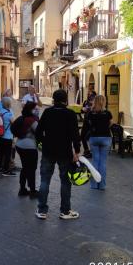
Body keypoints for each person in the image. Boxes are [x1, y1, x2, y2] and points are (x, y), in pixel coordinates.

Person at [35, 89, 81, 220]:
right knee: (66, 182)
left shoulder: (48, 112)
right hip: (65, 153)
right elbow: (75, 135)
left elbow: (38, 132)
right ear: (65, 100)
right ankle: (65, 211)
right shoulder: (70, 114)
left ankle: (42, 210)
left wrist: (43, 143)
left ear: (53, 100)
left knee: (44, 180)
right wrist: (76, 151)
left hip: (48, 151)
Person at [84, 95, 113, 190]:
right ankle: (102, 185)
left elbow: (88, 124)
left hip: (94, 138)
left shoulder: (90, 113)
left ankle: (94, 185)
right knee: (103, 162)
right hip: (105, 137)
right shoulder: (108, 113)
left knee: (95, 161)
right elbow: (110, 123)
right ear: (103, 102)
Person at [15, 102, 39, 198]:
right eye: (35, 109)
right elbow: (39, 132)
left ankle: (22, 189)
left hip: (19, 145)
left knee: (25, 167)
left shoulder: (21, 118)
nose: (37, 110)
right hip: (30, 147)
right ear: (31, 110)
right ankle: (32, 191)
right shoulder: (32, 120)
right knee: (32, 169)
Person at [0, 97, 16, 176]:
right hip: (8, 136)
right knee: (8, 153)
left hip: (1, 136)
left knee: (1, 152)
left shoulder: (1, 112)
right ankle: (6, 170)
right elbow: (14, 124)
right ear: (9, 104)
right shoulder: (9, 114)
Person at [80, 89, 97, 158]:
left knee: (90, 137)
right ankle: (86, 151)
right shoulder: (86, 102)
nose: (89, 96)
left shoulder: (96, 103)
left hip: (93, 123)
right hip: (86, 121)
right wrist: (83, 109)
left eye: (91, 95)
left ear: (94, 96)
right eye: (89, 94)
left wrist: (90, 109)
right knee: (82, 136)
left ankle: (93, 151)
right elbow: (82, 110)